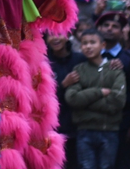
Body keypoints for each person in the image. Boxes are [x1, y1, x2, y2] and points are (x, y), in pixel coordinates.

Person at [66, 29, 126, 169]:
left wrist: (86, 102)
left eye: (93, 42)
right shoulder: (79, 70)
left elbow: (118, 100)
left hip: (109, 130)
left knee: (107, 166)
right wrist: (99, 92)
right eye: (84, 43)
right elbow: (72, 98)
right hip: (84, 130)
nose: (88, 46)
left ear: (103, 45)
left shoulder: (115, 69)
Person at [96, 11, 130, 166]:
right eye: (106, 25)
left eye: (115, 26)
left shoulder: (129, 59)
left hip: (122, 125)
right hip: (94, 124)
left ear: (122, 31)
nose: (109, 29)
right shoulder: (90, 56)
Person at [48, 31, 87, 168]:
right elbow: (44, 96)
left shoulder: (80, 59)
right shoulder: (45, 63)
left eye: (59, 34)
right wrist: (63, 85)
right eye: (51, 35)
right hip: (56, 128)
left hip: (80, 126)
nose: (55, 38)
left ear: (67, 36)